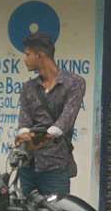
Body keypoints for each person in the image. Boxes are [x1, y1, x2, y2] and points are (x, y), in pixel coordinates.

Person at [16, 31, 86, 199]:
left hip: (55, 167)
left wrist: (35, 138)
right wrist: (24, 134)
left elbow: (63, 124)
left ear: (40, 55)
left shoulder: (74, 83)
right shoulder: (28, 87)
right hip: (28, 166)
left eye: (27, 54)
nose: (24, 59)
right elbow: (24, 122)